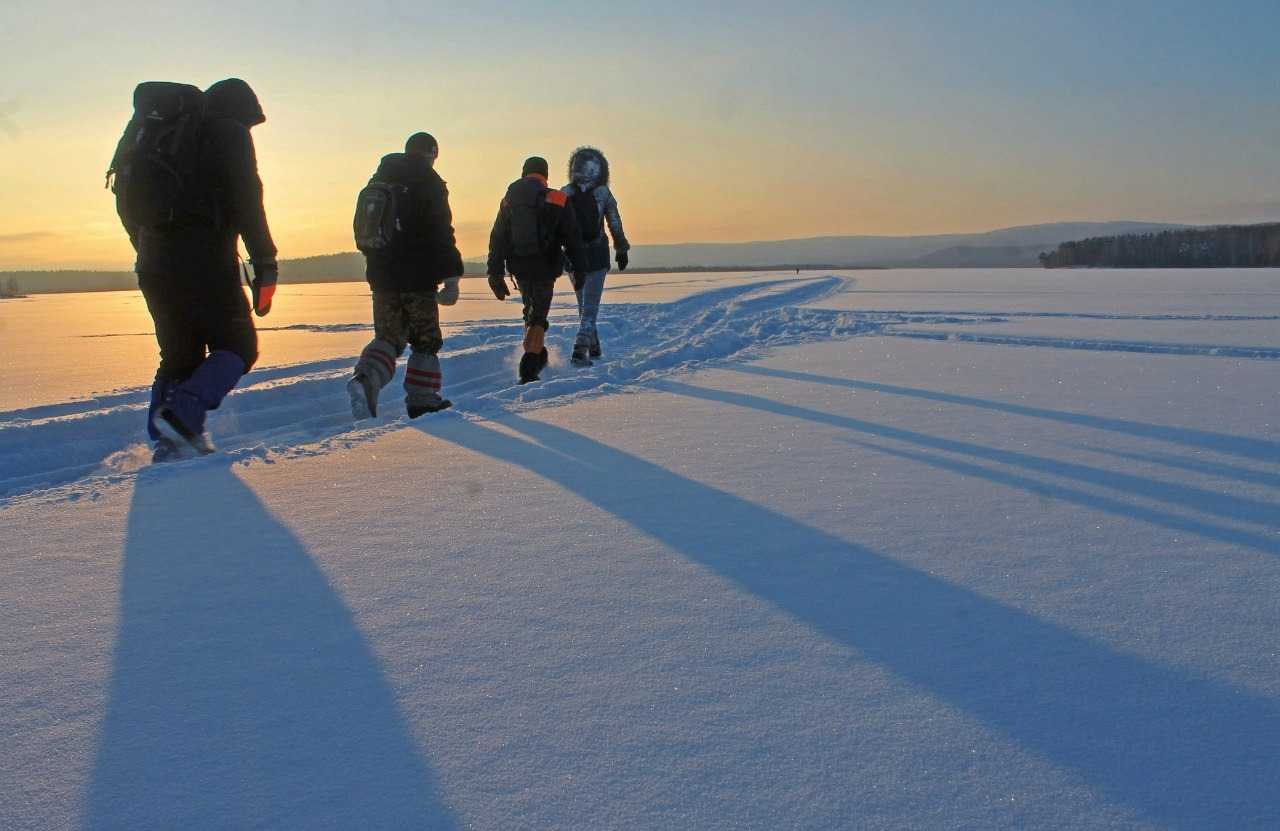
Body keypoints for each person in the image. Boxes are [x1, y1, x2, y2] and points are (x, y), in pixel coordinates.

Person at [116, 78, 278, 460]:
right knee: (238, 346)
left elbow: (124, 203)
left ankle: (168, 442)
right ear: (240, 112)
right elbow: (247, 200)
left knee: (178, 352)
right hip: (205, 258)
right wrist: (265, 260)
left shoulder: (158, 135)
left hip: (153, 259)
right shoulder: (227, 133)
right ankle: (183, 418)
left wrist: (148, 248)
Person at [347, 132, 464, 419]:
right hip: (418, 276)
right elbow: (441, 231)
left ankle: (365, 379)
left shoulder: (379, 179)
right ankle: (423, 400)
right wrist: (451, 276)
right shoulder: (428, 181)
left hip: (381, 275)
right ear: (432, 154)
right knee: (425, 339)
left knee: (389, 336)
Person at [485, 156, 587, 384]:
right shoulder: (557, 198)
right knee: (538, 316)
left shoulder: (508, 200)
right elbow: (572, 237)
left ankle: (537, 354)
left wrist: (494, 272)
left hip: (518, 267)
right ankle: (529, 367)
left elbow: (497, 238)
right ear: (545, 175)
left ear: (524, 173)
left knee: (530, 310)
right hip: (545, 266)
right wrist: (579, 269)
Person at [560, 146, 630, 366]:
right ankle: (580, 351)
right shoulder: (603, 193)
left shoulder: (564, 193)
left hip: (572, 257)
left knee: (584, 305)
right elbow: (614, 223)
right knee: (590, 308)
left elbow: (555, 227)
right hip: (597, 255)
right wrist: (621, 249)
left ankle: (595, 348)